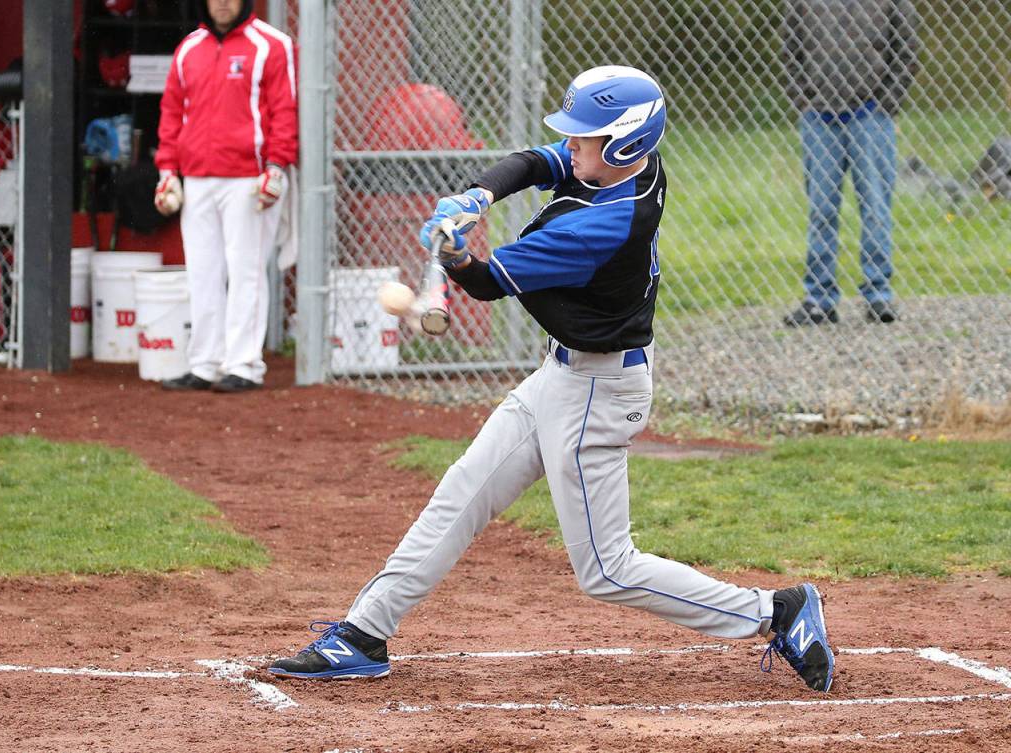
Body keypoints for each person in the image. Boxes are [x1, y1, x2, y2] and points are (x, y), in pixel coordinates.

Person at [269, 67, 835, 692]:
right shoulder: (630, 166)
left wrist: (455, 257)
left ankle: (776, 612)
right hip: (560, 375)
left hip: (598, 393)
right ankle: (363, 633)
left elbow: (487, 283)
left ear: (623, 143)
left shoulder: (602, 225)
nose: (572, 145)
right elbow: (537, 162)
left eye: (585, 137)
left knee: (607, 571)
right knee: (461, 494)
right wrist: (478, 196)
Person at [153, 0, 297, 392]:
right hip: (197, 178)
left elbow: (284, 111)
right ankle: (204, 364)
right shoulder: (189, 48)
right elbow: (171, 112)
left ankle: (244, 365)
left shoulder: (272, 44)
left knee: (246, 271)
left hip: (249, 179)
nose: (221, 3)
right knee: (201, 273)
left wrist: (276, 168)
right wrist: (167, 172)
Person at [780, 0, 919, 326]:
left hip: (871, 116)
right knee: (821, 210)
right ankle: (819, 299)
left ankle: (878, 295)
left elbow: (907, 49)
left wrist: (887, 102)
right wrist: (805, 100)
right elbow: (789, 52)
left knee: (875, 207)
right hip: (819, 119)